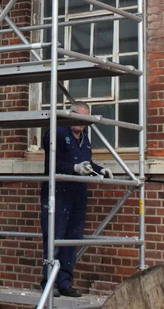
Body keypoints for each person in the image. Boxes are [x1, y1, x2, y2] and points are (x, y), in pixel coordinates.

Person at [40, 101, 113, 297]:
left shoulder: (85, 138)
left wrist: (100, 170)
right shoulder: (56, 132)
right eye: (77, 117)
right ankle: (49, 282)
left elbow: (86, 163)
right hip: (58, 194)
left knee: (72, 239)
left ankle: (64, 281)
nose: (80, 123)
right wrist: (73, 168)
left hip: (78, 195)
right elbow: (53, 162)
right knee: (55, 237)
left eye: (84, 119)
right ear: (69, 114)